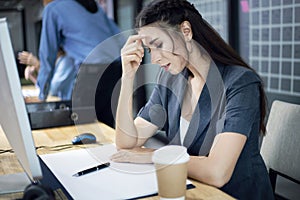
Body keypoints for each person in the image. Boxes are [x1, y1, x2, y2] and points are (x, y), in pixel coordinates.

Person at [110, 0, 275, 199]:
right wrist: (127, 76)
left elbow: (217, 172)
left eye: (158, 45)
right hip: (192, 190)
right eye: (149, 50)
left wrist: (154, 156)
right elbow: (126, 143)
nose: (153, 59)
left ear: (186, 31)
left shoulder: (240, 83)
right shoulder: (170, 79)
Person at [37, 0, 122, 100]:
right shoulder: (93, 6)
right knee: (111, 115)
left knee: (83, 115)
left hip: (93, 75)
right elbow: (119, 38)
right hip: (116, 71)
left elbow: (47, 55)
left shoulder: (52, 9)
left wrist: (42, 94)